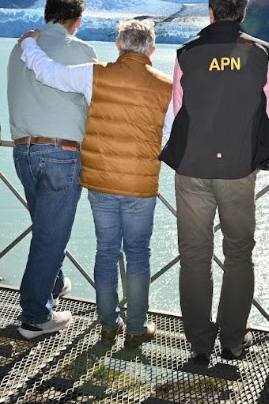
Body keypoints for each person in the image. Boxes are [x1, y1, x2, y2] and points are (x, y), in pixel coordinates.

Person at [17, 19, 173, 348]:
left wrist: (29, 45)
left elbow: (49, 72)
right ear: (153, 50)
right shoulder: (165, 86)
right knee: (138, 255)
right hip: (140, 186)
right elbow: (170, 136)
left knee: (105, 252)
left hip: (101, 182)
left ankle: (107, 324)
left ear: (118, 44)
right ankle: (136, 328)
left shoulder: (95, 73)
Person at [160, 0, 269, 365]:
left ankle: (198, 343)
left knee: (194, 255)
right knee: (239, 253)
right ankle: (231, 340)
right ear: (242, 14)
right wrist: (259, 155)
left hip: (193, 167)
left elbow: (177, 113)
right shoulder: (260, 53)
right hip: (237, 169)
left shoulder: (187, 53)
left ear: (210, 11)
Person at [6, 0, 97, 340]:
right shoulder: (82, 50)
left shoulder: (20, 46)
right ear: (75, 21)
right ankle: (35, 315)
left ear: (47, 15)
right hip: (61, 153)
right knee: (50, 234)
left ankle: (54, 283)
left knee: (44, 227)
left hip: (22, 151)